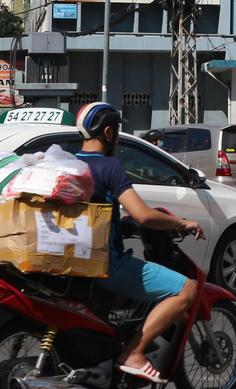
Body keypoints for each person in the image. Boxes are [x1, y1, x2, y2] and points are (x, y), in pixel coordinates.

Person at [74, 102, 204, 385]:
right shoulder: (108, 167)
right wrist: (181, 223)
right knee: (186, 289)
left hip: (70, 265)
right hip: (106, 265)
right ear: (109, 132)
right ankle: (134, 352)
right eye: (117, 132)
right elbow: (143, 215)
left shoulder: (68, 164)